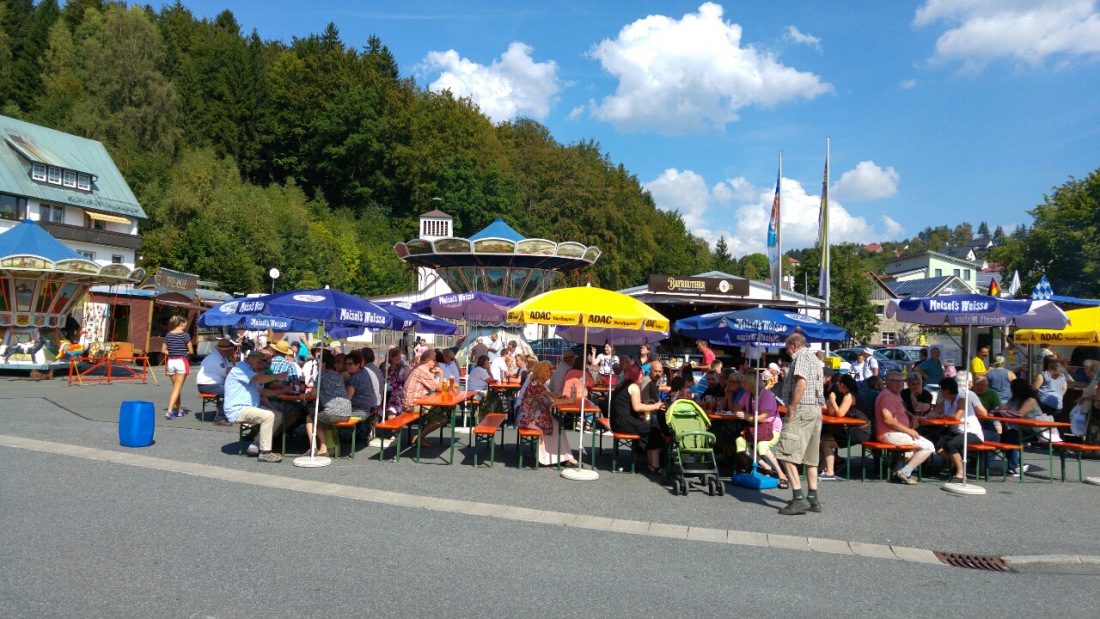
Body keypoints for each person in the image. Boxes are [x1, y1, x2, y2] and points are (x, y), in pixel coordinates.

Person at [772, 333, 826, 515]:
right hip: (815, 409)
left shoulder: (801, 357)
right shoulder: (814, 358)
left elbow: (801, 383)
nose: (787, 352)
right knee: (810, 457)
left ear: (795, 345)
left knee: (785, 452)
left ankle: (798, 498)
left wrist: (792, 407)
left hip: (802, 409)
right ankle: (813, 498)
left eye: (787, 348)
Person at [223, 350, 290, 462]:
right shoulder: (241, 368)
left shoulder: (251, 371)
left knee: (278, 415)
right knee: (268, 416)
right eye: (258, 362)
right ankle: (264, 453)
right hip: (238, 409)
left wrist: (281, 391)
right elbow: (257, 380)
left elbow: (262, 392)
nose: (260, 365)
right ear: (251, 358)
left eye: (261, 363)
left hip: (249, 407)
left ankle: (256, 444)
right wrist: (277, 376)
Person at [875, 371, 935, 485]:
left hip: (894, 432)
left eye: (900, 381)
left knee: (911, 449)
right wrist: (909, 430)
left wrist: (912, 417)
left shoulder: (894, 394)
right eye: (894, 381)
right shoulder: (888, 395)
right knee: (929, 446)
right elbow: (888, 419)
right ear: (887, 382)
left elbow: (902, 409)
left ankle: (896, 471)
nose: (898, 384)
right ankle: (905, 472)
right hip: (889, 433)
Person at [516, 361, 580, 468]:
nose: (551, 372)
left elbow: (551, 396)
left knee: (556, 424)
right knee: (556, 425)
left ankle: (562, 456)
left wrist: (561, 398)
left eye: (552, 369)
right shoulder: (536, 386)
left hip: (531, 416)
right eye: (548, 370)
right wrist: (571, 401)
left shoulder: (538, 383)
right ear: (540, 373)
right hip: (528, 419)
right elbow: (550, 402)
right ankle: (560, 456)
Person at [733, 370, 788, 487]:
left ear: (751, 382)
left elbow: (763, 418)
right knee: (740, 442)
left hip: (771, 428)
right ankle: (765, 466)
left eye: (745, 381)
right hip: (756, 428)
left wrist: (746, 416)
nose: (743, 383)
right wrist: (743, 413)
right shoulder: (748, 394)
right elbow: (737, 407)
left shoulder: (766, 395)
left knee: (762, 446)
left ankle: (781, 474)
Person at [932, 378, 992, 482]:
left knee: (951, 444)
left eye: (941, 389)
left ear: (947, 390)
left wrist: (942, 416)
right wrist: (933, 414)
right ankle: (954, 463)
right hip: (957, 432)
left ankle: (961, 473)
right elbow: (935, 411)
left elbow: (957, 417)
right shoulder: (946, 401)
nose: (940, 391)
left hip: (972, 433)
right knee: (937, 444)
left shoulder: (962, 399)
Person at [610, 365, 667, 474]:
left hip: (616, 422)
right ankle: (654, 464)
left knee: (649, 426)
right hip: (624, 424)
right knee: (654, 430)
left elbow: (628, 407)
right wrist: (656, 406)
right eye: (641, 376)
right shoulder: (634, 387)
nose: (642, 378)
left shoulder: (621, 385)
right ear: (635, 375)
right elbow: (637, 407)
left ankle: (647, 460)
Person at [304, 350, 355, 458]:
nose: (317, 364)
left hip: (333, 413)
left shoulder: (321, 375)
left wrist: (305, 395)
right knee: (320, 417)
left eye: (319, 362)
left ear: (324, 363)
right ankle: (323, 448)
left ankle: (315, 447)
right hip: (347, 412)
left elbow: (313, 394)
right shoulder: (339, 375)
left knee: (310, 418)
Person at [820, 374, 870, 480]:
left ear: (842, 384)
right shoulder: (850, 394)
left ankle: (830, 473)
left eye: (838, 384)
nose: (837, 386)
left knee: (825, 441)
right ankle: (822, 468)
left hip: (860, 430)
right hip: (856, 428)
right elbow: (835, 413)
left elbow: (840, 413)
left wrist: (832, 400)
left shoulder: (849, 396)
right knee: (824, 437)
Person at [996, 378, 1042, 475]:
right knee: (1000, 438)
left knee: (1011, 437)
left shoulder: (1031, 400)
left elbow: (1019, 414)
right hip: (1019, 429)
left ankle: (1014, 466)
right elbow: (1003, 408)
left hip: (1034, 430)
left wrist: (1005, 412)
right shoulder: (1014, 399)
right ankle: (1016, 464)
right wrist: (997, 411)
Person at [404, 350, 447, 447]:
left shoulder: (420, 367)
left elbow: (431, 385)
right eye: (434, 360)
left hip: (414, 402)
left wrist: (434, 372)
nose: (436, 362)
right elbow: (439, 388)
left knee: (437, 410)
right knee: (442, 417)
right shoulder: (422, 370)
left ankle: (422, 438)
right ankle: (420, 437)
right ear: (427, 360)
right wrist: (441, 373)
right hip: (413, 405)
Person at [196, 338, 237, 425]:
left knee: (232, 391)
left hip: (212, 384)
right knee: (230, 393)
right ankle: (220, 418)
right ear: (225, 350)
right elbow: (227, 373)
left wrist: (233, 361)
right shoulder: (214, 358)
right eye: (230, 350)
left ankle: (221, 413)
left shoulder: (223, 358)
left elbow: (233, 370)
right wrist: (231, 368)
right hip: (207, 385)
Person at [162, 315, 193, 419]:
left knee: (176, 387)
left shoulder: (168, 335)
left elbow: (163, 350)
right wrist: (183, 352)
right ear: (182, 323)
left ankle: (179, 410)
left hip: (171, 361)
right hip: (181, 361)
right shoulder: (185, 335)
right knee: (177, 388)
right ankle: (170, 411)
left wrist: (172, 352)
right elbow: (191, 351)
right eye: (185, 323)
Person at [343, 351, 376, 419]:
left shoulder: (354, 378)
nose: (347, 366)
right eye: (345, 364)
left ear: (358, 364)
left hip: (358, 411)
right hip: (367, 408)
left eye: (350, 364)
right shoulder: (364, 372)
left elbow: (347, 399)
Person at [382, 347, 407, 419]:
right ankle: (374, 430)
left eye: (399, 356)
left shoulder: (404, 369)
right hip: (384, 394)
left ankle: (393, 428)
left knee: (392, 405)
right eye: (395, 356)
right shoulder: (384, 367)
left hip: (398, 395)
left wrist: (399, 393)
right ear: (390, 358)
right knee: (378, 404)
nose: (398, 358)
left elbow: (407, 386)